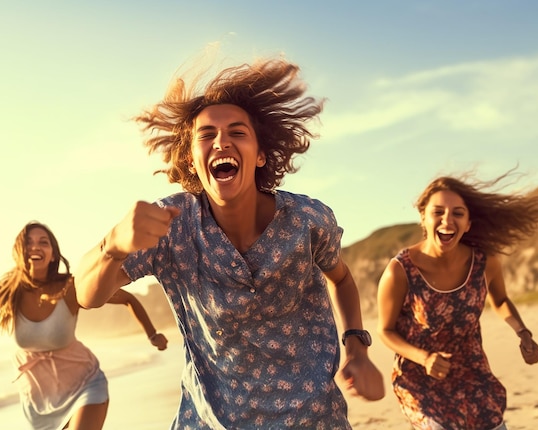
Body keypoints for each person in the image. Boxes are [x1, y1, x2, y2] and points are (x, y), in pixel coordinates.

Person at [74, 57, 384, 429]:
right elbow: (86, 295)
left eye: (238, 132)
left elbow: (343, 280)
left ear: (260, 155)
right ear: (191, 158)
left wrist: (357, 346)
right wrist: (114, 245)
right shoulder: (171, 226)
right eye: (206, 135)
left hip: (313, 418)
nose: (221, 140)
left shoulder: (307, 220)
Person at [376, 171, 538, 430]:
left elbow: (501, 299)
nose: (447, 220)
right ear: (423, 217)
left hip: (473, 372)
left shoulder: (484, 262)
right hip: (419, 377)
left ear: (468, 223)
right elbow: (385, 331)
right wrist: (425, 358)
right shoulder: (399, 270)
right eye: (438, 212)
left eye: (458, 213)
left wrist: (523, 333)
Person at [0, 221, 168, 430]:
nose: (36, 247)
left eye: (43, 242)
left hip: (86, 385)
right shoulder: (6, 292)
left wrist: (152, 334)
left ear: (52, 254)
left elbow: (127, 298)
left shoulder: (70, 288)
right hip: (38, 402)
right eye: (29, 242)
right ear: (19, 250)